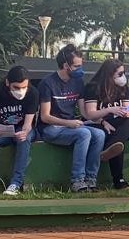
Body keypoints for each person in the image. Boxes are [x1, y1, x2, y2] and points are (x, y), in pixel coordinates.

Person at [38, 45, 122, 193]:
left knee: (99, 134)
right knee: (84, 134)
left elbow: (85, 113)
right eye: (77, 66)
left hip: (70, 126)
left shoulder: (78, 82)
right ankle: (77, 181)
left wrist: (102, 121)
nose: (80, 69)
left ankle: (91, 180)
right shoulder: (47, 83)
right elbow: (45, 117)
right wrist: (68, 123)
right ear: (66, 66)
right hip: (51, 129)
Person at [0, 65, 39, 196]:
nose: (21, 91)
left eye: (24, 87)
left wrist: (24, 132)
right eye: (16, 88)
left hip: (22, 129)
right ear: (8, 82)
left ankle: (15, 183)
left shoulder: (33, 93)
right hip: (2, 130)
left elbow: (28, 124)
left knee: (24, 140)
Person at [82, 59, 129, 190]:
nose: (123, 76)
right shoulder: (93, 87)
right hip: (98, 122)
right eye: (120, 73)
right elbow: (90, 114)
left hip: (117, 122)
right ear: (109, 74)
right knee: (117, 140)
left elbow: (128, 108)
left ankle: (109, 149)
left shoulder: (123, 87)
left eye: (123, 73)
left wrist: (128, 112)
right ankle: (119, 180)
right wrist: (108, 111)